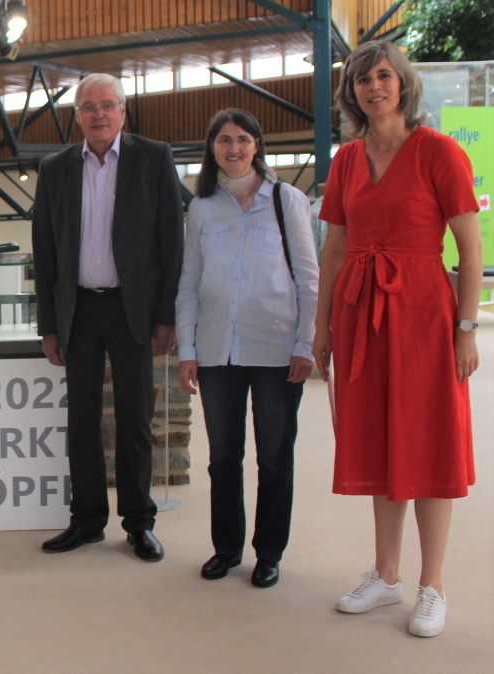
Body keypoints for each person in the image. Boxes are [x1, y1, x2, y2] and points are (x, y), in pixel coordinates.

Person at [313, 40, 481, 638]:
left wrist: (465, 328)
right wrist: (322, 327)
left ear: (402, 85)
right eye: (362, 79)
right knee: (381, 441)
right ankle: (386, 576)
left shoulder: (438, 152)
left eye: (383, 75)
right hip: (360, 312)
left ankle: (431, 585)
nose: (373, 86)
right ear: (352, 92)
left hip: (424, 314)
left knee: (430, 441)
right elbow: (333, 249)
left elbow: (469, 245)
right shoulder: (348, 160)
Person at [32, 72, 184, 561]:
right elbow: (46, 252)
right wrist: (49, 325)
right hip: (78, 309)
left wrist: (167, 317)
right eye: (88, 107)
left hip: (132, 310)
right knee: (82, 422)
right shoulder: (54, 169)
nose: (98, 114)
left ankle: (139, 522)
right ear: (76, 115)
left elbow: (171, 243)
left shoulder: (154, 158)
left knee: (136, 419)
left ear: (123, 110)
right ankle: (88, 520)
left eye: (107, 105)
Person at [176, 109, 319, 588]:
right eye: (223, 140)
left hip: (276, 346)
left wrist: (306, 343)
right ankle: (227, 549)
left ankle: (269, 552)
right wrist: (188, 349)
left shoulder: (287, 200)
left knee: (275, 457)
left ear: (257, 144)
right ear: (211, 148)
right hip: (219, 352)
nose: (233, 149)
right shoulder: (201, 208)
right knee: (223, 459)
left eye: (242, 139)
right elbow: (189, 283)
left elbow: (309, 278)